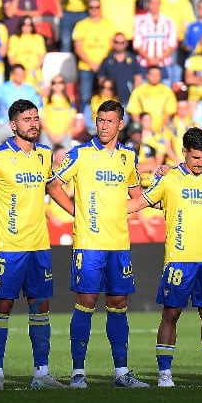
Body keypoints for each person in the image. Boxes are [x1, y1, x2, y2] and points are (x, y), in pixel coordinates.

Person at [127, 126, 202, 387]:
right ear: (184, 153)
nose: (201, 163)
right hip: (178, 259)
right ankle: (165, 374)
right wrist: (107, 208)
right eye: (196, 158)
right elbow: (141, 202)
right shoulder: (168, 179)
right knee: (171, 314)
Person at [48, 98, 150, 388]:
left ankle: (121, 373)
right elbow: (54, 185)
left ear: (120, 124)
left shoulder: (128, 158)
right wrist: (76, 211)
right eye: (100, 120)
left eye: (109, 121)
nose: (104, 126)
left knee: (119, 303)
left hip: (119, 243)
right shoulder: (80, 154)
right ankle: (78, 373)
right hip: (89, 242)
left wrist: (163, 183)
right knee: (87, 301)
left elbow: (137, 196)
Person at [0, 98, 66, 389]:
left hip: (39, 246)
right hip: (8, 246)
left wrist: (78, 213)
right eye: (27, 119)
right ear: (13, 125)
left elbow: (53, 186)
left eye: (36, 118)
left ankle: (41, 374)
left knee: (40, 307)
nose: (33, 124)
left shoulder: (44, 154)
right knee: (2, 306)